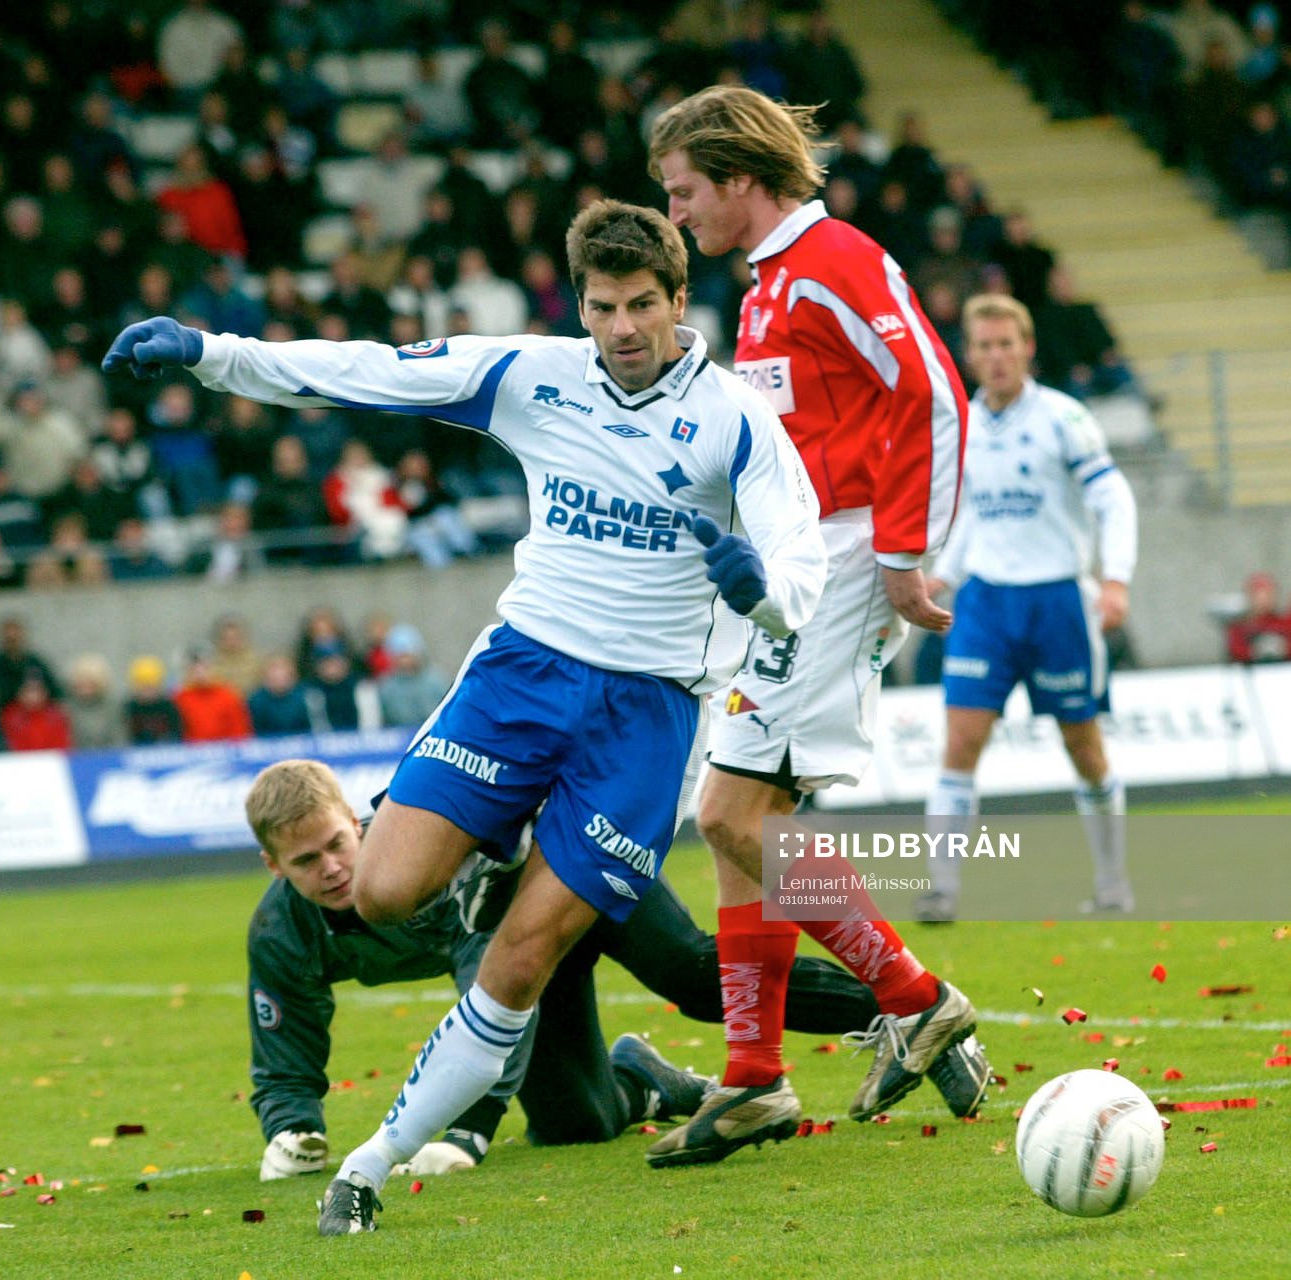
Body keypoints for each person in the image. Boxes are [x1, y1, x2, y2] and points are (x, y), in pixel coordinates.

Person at [103, 197, 828, 1236]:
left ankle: (368, 1162)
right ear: (579, 305)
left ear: (679, 299)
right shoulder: (532, 373)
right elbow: (370, 371)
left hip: (646, 713)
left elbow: (797, 558)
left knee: (524, 959)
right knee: (386, 891)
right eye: (601, 306)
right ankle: (497, 856)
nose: (621, 328)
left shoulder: (736, 421)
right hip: (522, 670)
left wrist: (759, 590)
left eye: (640, 305)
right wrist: (214, 354)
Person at [645, 85, 983, 1167]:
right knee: (747, 817)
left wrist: (898, 555)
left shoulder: (833, 259)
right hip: (803, 566)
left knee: (734, 813)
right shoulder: (767, 285)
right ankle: (753, 1077)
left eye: (685, 190)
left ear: (741, 179)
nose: (678, 212)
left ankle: (914, 995)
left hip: (841, 564)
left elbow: (931, 390)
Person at [245, 759, 939, 1184]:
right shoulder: (282, 932)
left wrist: (472, 1125)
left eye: (336, 844)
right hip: (527, 950)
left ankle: (914, 1006)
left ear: (358, 823)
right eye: (305, 862)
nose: (331, 868)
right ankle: (643, 1079)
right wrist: (291, 1129)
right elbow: (285, 1038)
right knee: (574, 1122)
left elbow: (482, 975)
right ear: (274, 867)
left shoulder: (414, 858)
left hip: (575, 870)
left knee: (694, 977)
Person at [922, 294, 1139, 920]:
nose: (995, 357)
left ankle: (1112, 881)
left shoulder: (1064, 420)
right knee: (960, 744)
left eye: (1005, 344)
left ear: (1027, 348)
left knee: (1084, 748)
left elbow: (1113, 500)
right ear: (970, 354)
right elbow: (966, 515)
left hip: (1058, 600)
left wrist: (1116, 580)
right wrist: (947, 576)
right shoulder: (963, 424)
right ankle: (943, 889)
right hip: (986, 603)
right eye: (984, 346)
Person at [1226, 571, 1291, 663]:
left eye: (1267, 595)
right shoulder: (1240, 628)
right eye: (1258, 596)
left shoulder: (1285, 624)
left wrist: (1283, 649)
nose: (1263, 601)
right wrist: (1254, 652)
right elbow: (1235, 650)